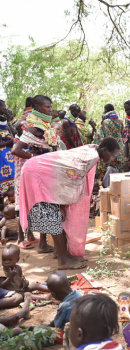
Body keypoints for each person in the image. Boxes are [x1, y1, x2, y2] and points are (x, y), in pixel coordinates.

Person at [19, 138, 119, 270]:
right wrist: (62, 204)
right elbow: (70, 181)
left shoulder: (93, 150)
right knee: (52, 214)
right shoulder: (92, 157)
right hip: (38, 172)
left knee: (55, 214)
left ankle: (64, 255)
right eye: (112, 155)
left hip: (42, 171)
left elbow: (68, 177)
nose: (112, 159)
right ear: (104, 150)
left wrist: (62, 205)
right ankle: (63, 260)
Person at [12, 95, 59, 252]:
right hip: (39, 171)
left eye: (50, 106)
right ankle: (43, 244)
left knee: (44, 205)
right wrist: (35, 157)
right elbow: (16, 149)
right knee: (44, 205)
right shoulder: (34, 127)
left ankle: (43, 242)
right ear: (38, 108)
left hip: (45, 170)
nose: (50, 109)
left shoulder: (43, 125)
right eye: (46, 107)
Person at [93, 107, 124, 178]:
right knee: (119, 172)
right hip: (119, 149)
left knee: (106, 172)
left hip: (109, 149)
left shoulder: (106, 122)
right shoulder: (121, 121)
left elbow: (101, 136)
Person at [0, 101, 15, 197]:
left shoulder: (4, 120)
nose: (6, 108)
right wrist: (9, 142)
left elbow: (14, 134)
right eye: (3, 106)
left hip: (9, 154)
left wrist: (9, 120)